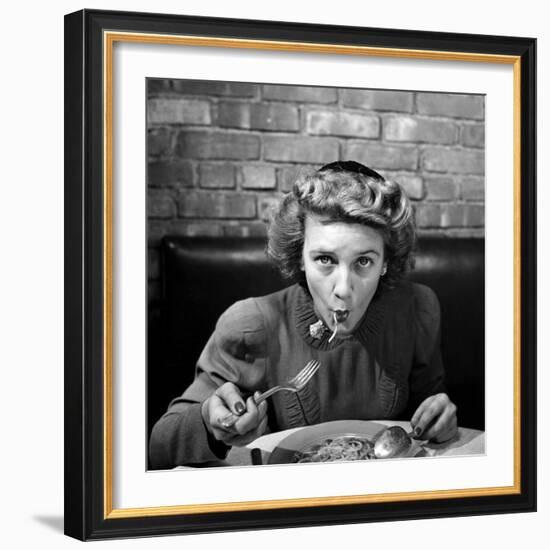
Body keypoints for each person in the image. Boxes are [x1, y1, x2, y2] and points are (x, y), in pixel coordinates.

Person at [149, 161, 458, 468]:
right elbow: (160, 445)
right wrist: (209, 422)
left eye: (364, 261)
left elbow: (430, 408)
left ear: (386, 263)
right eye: (325, 259)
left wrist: (440, 417)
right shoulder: (250, 325)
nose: (343, 289)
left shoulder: (418, 309)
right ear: (300, 258)